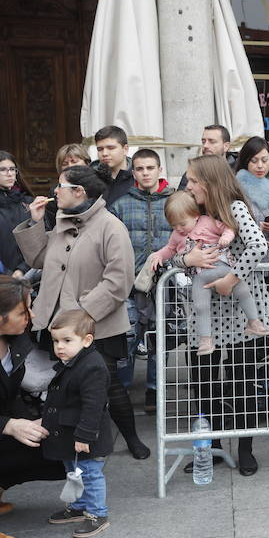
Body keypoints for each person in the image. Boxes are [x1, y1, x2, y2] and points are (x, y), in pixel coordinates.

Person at [13, 165, 150, 460]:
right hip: (58, 326)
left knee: (108, 387)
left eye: (60, 186)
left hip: (95, 327)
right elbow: (38, 258)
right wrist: (35, 223)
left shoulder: (111, 226)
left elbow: (118, 282)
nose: (54, 192)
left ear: (79, 192)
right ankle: (75, 447)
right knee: (64, 389)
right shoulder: (62, 220)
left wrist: (81, 315)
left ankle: (132, 438)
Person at [172, 154, 269, 476]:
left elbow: (259, 247)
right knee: (203, 383)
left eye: (193, 181)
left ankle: (245, 449)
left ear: (210, 181)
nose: (188, 187)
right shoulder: (192, 213)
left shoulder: (235, 208)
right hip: (205, 314)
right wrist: (186, 260)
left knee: (242, 383)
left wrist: (232, 279)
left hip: (240, 309)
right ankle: (214, 446)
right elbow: (173, 254)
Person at [151, 191, 269, 355]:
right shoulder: (176, 236)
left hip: (223, 268)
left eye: (182, 224)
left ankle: (253, 321)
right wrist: (158, 254)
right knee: (200, 306)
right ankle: (205, 340)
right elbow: (170, 250)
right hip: (201, 277)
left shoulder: (207, 222)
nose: (179, 229)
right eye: (174, 225)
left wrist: (226, 238)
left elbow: (227, 228)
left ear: (195, 215)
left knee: (243, 291)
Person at [110, 148, 173, 411]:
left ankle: (153, 390)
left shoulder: (175, 201)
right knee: (127, 338)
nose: (145, 173)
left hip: (166, 283)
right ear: (133, 172)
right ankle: (121, 390)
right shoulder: (121, 203)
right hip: (131, 284)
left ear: (159, 170)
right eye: (140, 168)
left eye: (150, 168)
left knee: (161, 338)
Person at [44, 310, 113, 537]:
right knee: (73, 471)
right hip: (69, 433)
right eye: (55, 341)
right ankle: (79, 507)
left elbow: (94, 405)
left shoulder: (92, 366)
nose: (59, 346)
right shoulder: (73, 360)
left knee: (90, 474)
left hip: (84, 436)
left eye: (66, 340)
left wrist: (84, 436)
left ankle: (97, 514)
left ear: (87, 340)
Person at [0, 276, 65, 518]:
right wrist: (9, 425)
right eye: (23, 311)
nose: (32, 315)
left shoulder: (16, 340)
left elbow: (12, 395)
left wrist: (34, 424)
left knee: (62, 449)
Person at [235, 137, 269, 263]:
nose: (260, 166)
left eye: (265, 160)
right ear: (245, 161)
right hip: (243, 261)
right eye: (254, 161)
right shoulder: (235, 188)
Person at [0, 151, 34, 279]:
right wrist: (7, 274)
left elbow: (36, 239)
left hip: (27, 274)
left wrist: (22, 270)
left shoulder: (28, 203)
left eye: (12, 169)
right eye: (3, 169)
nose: (9, 174)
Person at [45, 145, 93, 231]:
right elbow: (51, 226)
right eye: (65, 164)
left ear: (87, 163)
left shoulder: (98, 186)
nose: (70, 166)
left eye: (74, 161)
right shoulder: (56, 191)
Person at [177, 125, 236, 190]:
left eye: (212, 141)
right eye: (203, 142)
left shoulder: (237, 171)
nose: (205, 146)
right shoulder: (192, 172)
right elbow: (181, 198)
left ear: (226, 146)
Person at [93, 125, 133, 209]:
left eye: (110, 148)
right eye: (100, 149)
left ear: (125, 149)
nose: (104, 153)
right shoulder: (90, 178)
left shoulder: (139, 176)